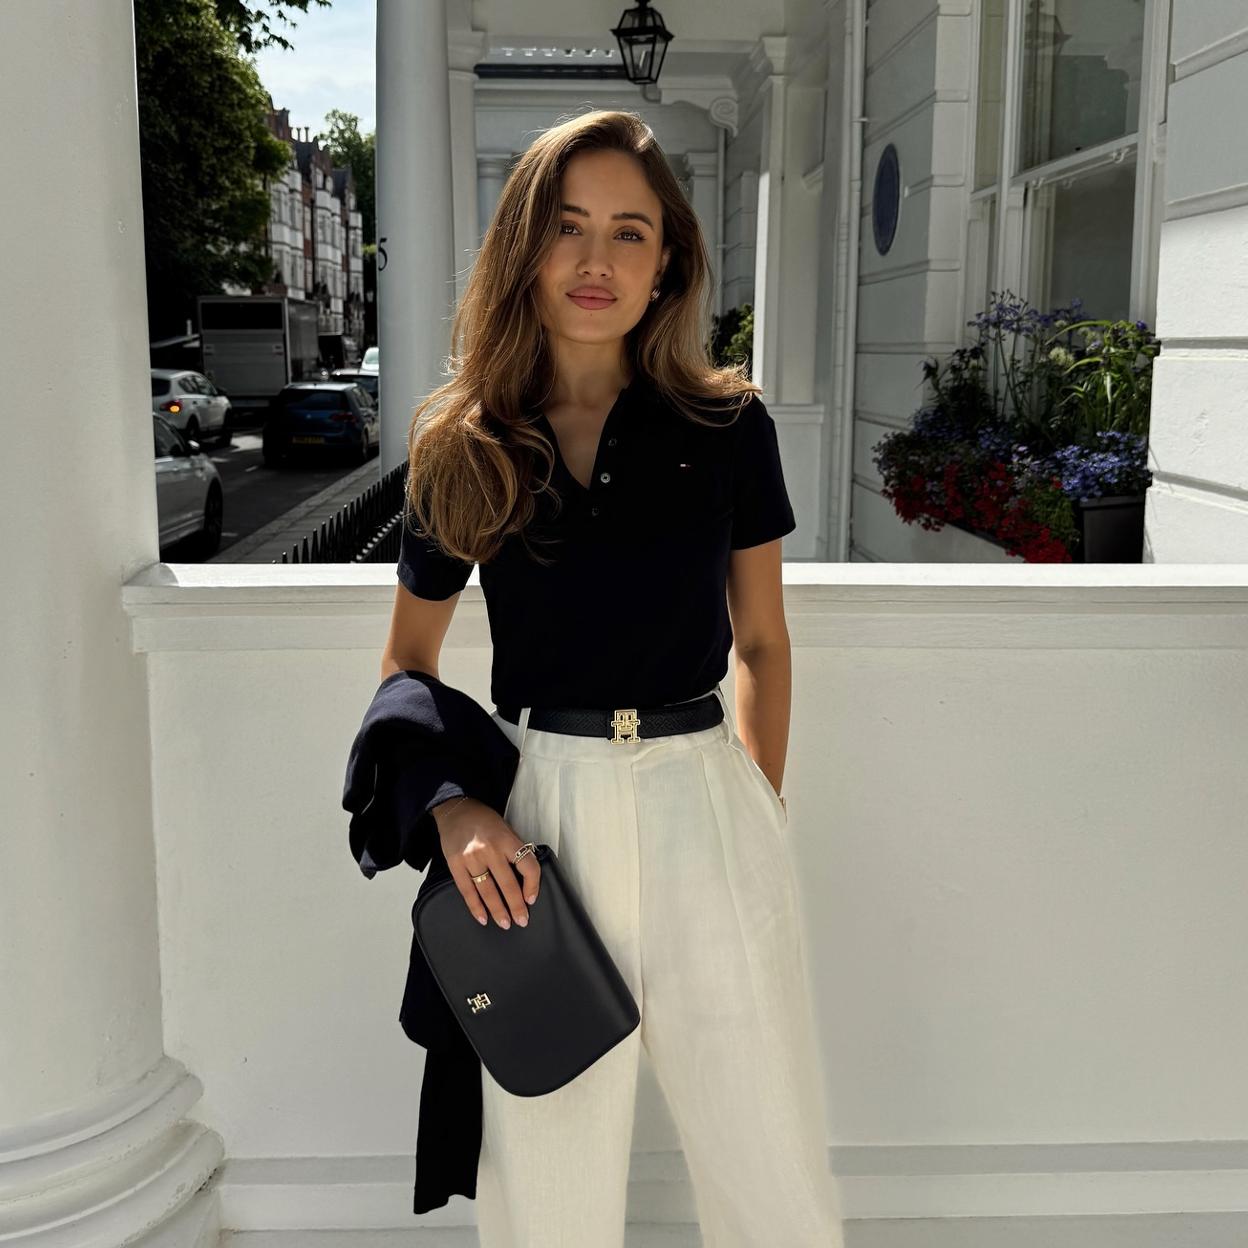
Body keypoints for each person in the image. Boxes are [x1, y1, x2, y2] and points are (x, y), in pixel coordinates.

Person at [379, 109, 845, 1248]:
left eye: (630, 232)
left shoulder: (728, 427)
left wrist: (758, 807)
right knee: (547, 1171)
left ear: (667, 260)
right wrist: (455, 811)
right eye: (568, 226)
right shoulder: (467, 442)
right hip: (542, 816)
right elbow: (407, 662)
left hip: (707, 801)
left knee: (768, 1154)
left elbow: (764, 643)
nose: (597, 260)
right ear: (524, 247)